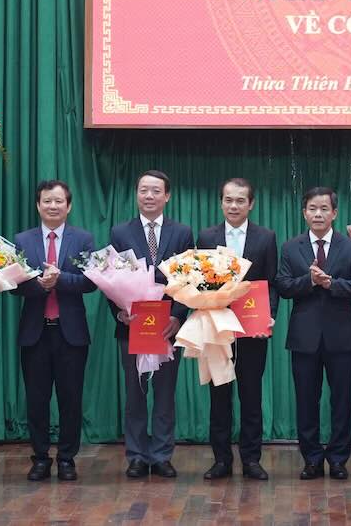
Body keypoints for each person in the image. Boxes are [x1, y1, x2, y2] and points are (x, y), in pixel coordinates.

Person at [276, 186, 351, 481]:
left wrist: (331, 284)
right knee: (306, 402)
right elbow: (283, 286)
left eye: (324, 208)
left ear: (334, 213)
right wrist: (310, 281)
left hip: (341, 337)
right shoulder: (291, 247)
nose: (318, 214)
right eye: (312, 209)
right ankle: (312, 459)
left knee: (342, 402)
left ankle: (339, 459)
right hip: (304, 338)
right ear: (304, 213)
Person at [107, 170, 194, 479]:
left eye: (156, 191)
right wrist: (121, 312)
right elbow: (110, 277)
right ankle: (136, 456)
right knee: (135, 394)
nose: (149, 196)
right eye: (143, 190)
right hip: (132, 326)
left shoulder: (182, 232)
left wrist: (178, 316)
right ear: (136, 194)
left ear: (167, 196)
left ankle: (161, 456)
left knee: (165, 394)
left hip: (168, 327)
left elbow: (189, 277)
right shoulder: (120, 232)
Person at [13, 180, 96, 482]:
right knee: (36, 400)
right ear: (38, 205)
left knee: (70, 399)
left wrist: (59, 280)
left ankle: (66, 459)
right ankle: (40, 458)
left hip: (70, 333)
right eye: (47, 201)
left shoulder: (83, 239)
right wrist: (38, 285)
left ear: (68, 206)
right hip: (34, 333)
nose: (53, 206)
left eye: (59, 201)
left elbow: (90, 282)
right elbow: (12, 285)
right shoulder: (22, 240)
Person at [196, 177, 278, 481]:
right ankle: (221, 460)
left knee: (251, 395)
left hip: (253, 329)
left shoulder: (266, 237)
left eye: (240, 200)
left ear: (251, 204)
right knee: (219, 396)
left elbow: (271, 284)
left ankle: (251, 459)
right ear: (221, 202)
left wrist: (268, 317)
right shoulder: (206, 236)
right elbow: (200, 282)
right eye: (228, 200)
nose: (234, 205)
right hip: (218, 329)